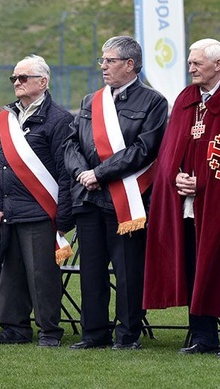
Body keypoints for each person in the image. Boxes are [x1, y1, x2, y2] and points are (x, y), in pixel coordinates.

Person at [143, 38, 220, 358]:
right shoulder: (186, 98)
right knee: (194, 267)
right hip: (185, 204)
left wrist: (204, 184)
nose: (190, 67)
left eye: (197, 62)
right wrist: (175, 176)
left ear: (218, 65)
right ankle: (203, 336)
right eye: (190, 62)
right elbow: (169, 150)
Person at [63, 35, 167, 350]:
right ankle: (93, 334)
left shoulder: (153, 102)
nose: (103, 66)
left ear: (130, 64)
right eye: (103, 60)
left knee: (128, 272)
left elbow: (144, 149)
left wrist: (100, 173)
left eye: (110, 61)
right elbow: (71, 143)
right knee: (91, 271)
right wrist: (82, 173)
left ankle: (127, 334)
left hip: (125, 202)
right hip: (88, 198)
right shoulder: (89, 100)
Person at [0, 55, 73, 347]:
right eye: (14, 79)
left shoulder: (59, 119)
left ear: (42, 82)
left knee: (42, 274)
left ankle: (49, 330)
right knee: (10, 275)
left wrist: (62, 217)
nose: (17, 83)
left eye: (23, 78)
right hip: (8, 210)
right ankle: (14, 328)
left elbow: (64, 171)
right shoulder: (5, 117)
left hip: (39, 211)